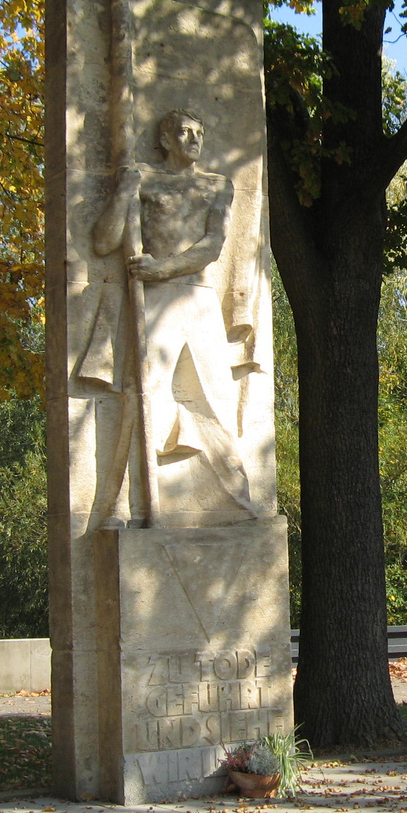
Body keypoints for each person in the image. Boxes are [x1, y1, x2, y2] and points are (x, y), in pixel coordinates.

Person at [89, 109, 254, 527]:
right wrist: (123, 192)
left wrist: (160, 268)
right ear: (165, 139)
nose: (194, 139)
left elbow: (213, 245)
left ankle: (238, 499)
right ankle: (117, 505)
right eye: (184, 132)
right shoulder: (143, 179)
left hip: (194, 297)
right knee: (141, 396)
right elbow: (103, 241)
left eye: (199, 132)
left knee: (216, 397)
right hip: (155, 302)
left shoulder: (218, 186)